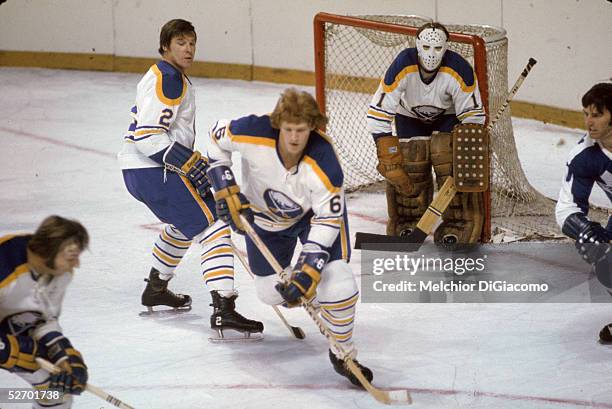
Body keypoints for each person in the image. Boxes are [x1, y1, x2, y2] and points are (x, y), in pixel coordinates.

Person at [204, 87, 373, 387]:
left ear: (313, 128)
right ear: (278, 123)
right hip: (265, 221)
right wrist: (224, 183)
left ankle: (343, 353)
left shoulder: (324, 161)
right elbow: (216, 138)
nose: (295, 138)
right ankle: (310, 295)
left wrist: (308, 271)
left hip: (314, 219)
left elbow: (328, 219)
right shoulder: (253, 131)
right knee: (271, 293)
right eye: (289, 129)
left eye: (303, 130)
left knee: (339, 282)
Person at [117, 18, 262, 339]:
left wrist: (188, 162)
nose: (189, 49)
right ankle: (224, 308)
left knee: (185, 224)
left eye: (192, 42)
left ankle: (155, 289)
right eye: (181, 42)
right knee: (214, 227)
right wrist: (187, 162)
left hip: (141, 170)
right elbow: (149, 135)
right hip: (154, 170)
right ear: (165, 46)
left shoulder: (164, 74)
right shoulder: (169, 79)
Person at [366, 22, 486, 244]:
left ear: (446, 47)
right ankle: (408, 221)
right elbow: (379, 112)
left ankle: (459, 223)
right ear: (417, 45)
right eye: (427, 47)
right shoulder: (403, 64)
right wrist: (390, 158)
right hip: (409, 116)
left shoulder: (459, 69)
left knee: (450, 164)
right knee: (411, 162)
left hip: (448, 118)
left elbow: (473, 116)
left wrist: (467, 152)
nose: (432, 54)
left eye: (438, 48)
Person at [0, 215, 89, 408]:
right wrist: (8, 349)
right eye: (71, 256)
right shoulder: (4, 262)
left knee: (56, 392)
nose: (76, 264)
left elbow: (40, 320)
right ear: (48, 250)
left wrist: (63, 353)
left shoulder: (60, 274)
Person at [555, 82, 612, 344]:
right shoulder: (585, 154)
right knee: (606, 262)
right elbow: (567, 207)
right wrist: (583, 230)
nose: (589, 122)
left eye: (597, 114)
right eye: (585, 113)